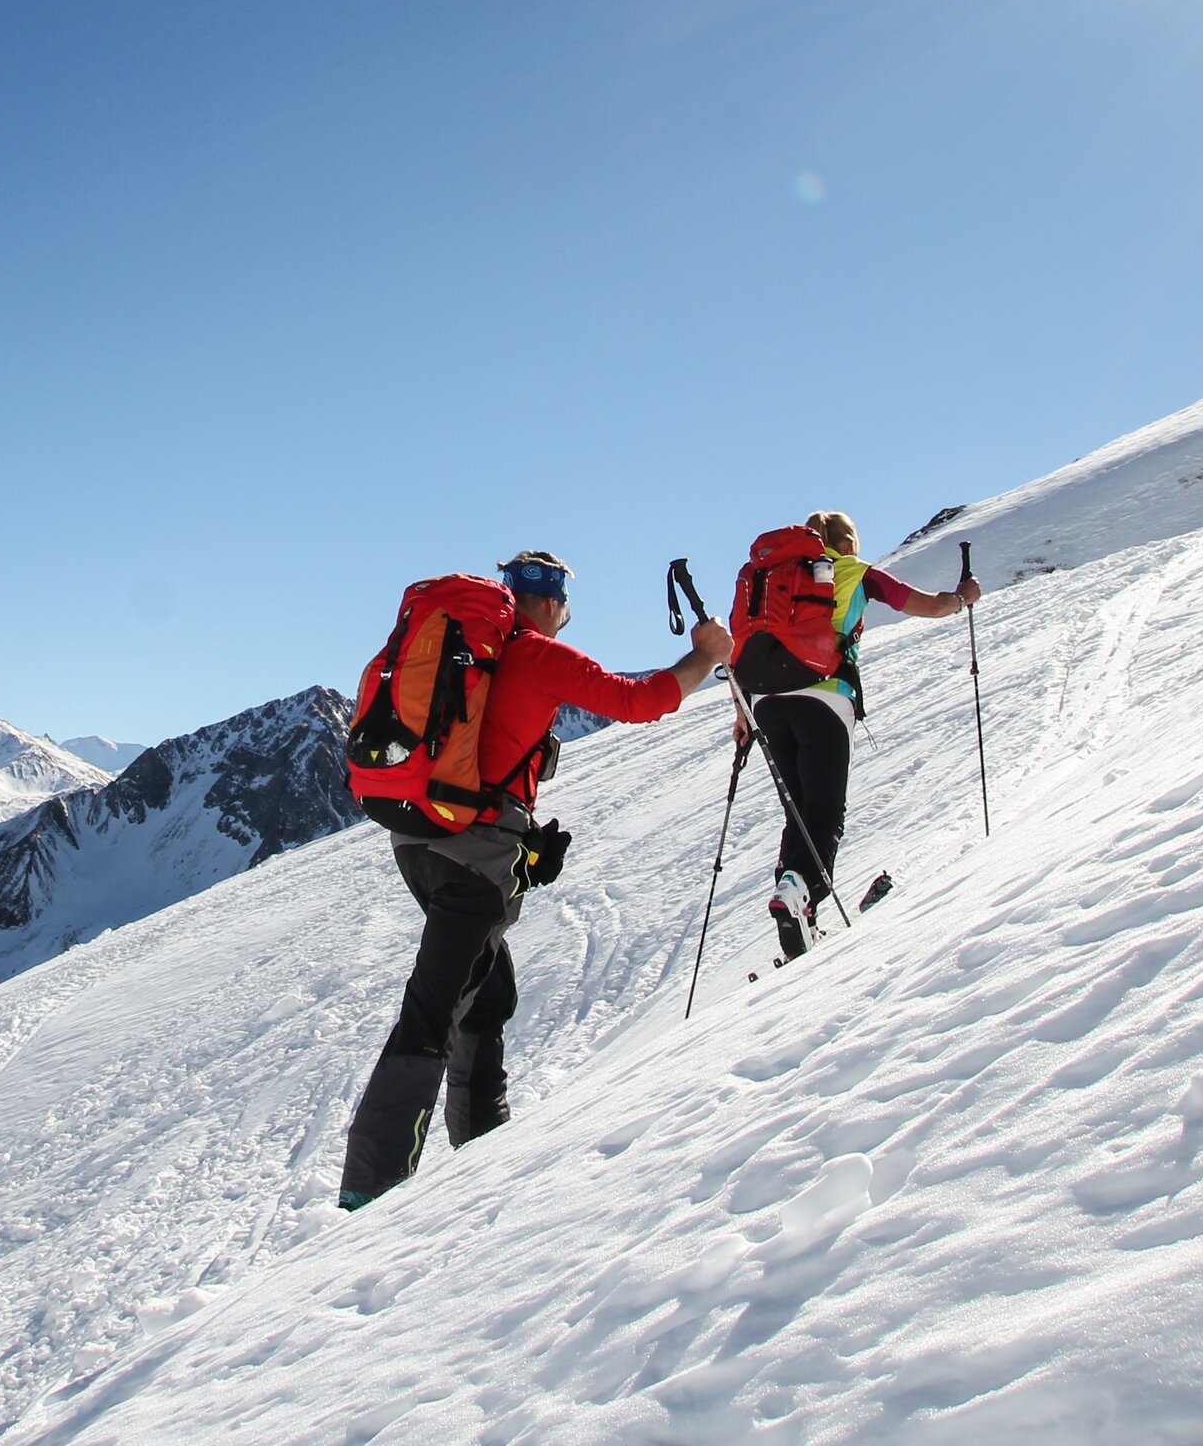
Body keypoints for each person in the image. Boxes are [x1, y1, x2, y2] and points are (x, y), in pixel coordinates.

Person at [339, 549, 731, 1210]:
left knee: (487, 993)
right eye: (564, 603)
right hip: (473, 858)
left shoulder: (457, 653)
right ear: (547, 600)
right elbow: (641, 702)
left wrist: (516, 842)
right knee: (432, 1014)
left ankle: (483, 1148)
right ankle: (369, 1191)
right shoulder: (538, 654)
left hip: (418, 840)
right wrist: (706, 655)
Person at [738, 510, 979, 959]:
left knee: (798, 811)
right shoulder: (854, 571)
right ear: (848, 543)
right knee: (825, 809)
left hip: (767, 704)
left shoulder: (774, 579)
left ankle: (797, 908)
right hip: (825, 699)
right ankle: (802, 892)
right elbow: (925, 604)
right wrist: (962, 598)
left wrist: (743, 715)